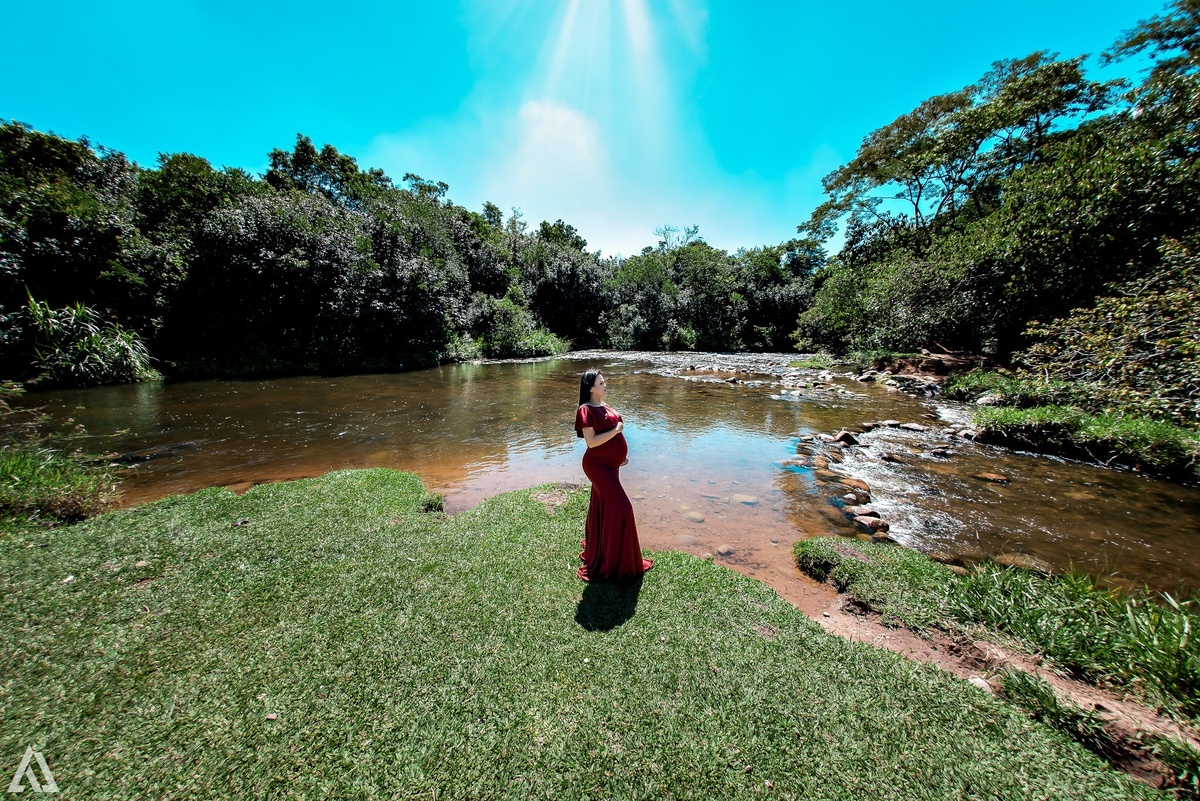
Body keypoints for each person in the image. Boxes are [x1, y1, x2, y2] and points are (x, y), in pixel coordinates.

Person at [574, 369, 653, 582]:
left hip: (611, 465)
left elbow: (608, 437)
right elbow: (591, 442)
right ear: (591, 387)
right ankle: (616, 561)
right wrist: (617, 432)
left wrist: (619, 456)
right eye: (601, 383)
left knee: (603, 506)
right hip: (597, 466)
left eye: (604, 381)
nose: (605, 385)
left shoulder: (604, 406)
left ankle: (600, 548)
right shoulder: (585, 410)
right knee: (623, 507)